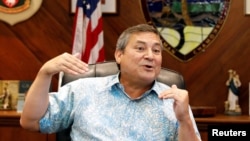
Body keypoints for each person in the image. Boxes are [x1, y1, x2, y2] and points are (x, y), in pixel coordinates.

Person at [20, 24, 201, 141]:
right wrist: (44, 73)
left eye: (156, 51)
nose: (150, 56)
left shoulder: (174, 101)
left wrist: (184, 119)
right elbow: (31, 121)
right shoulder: (83, 90)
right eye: (140, 48)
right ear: (119, 55)